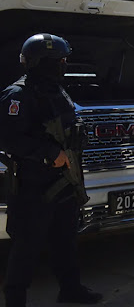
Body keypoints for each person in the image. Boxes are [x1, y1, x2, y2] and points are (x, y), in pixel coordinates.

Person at [0, 34, 102, 306]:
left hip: (64, 182)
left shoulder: (57, 90)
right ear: (42, 63)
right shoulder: (18, 95)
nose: (64, 65)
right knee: (26, 248)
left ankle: (70, 290)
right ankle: (15, 300)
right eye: (59, 61)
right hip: (34, 187)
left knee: (66, 242)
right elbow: (9, 138)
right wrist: (47, 154)